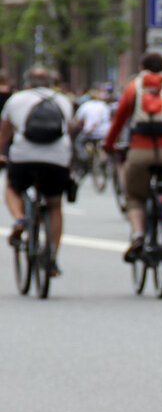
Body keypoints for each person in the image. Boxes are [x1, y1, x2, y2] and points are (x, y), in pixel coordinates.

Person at [103, 52, 162, 262]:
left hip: (140, 151)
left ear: (142, 66)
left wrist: (109, 144)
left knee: (135, 196)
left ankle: (138, 235)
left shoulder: (132, 87)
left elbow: (119, 121)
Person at [0, 65, 73, 276]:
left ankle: (19, 218)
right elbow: (68, 131)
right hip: (57, 158)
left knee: (12, 187)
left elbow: (5, 132)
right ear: (51, 83)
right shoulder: (63, 101)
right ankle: (51, 259)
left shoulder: (16, 99)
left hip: (24, 156)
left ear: (27, 82)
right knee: (54, 204)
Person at [71, 86, 111, 170]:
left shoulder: (85, 105)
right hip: (104, 132)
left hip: (90, 132)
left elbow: (77, 120)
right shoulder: (104, 105)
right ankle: (102, 157)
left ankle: (85, 157)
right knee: (102, 145)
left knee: (78, 142)